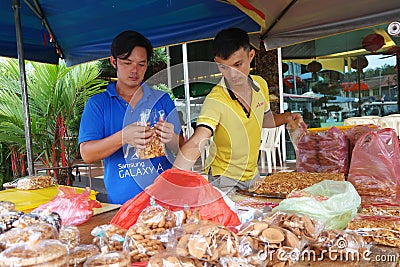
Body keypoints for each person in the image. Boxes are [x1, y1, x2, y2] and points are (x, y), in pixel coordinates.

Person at [173, 28, 306, 193]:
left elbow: (264, 120)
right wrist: (172, 183)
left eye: (238, 64)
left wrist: (286, 117)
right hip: (223, 179)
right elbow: (196, 142)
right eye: (224, 68)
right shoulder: (216, 99)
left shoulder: (260, 85)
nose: (232, 74)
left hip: (253, 175)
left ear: (251, 56)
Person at [79, 30, 183, 204]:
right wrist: (123, 137)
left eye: (141, 64)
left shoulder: (162, 100)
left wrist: (172, 138)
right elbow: (87, 154)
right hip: (121, 205)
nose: (134, 70)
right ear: (114, 62)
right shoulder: (99, 104)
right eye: (127, 63)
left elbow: (182, 148)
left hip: (165, 201)